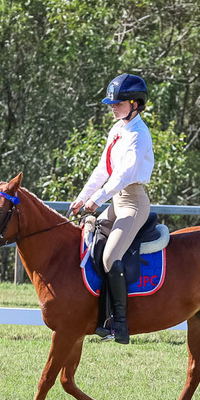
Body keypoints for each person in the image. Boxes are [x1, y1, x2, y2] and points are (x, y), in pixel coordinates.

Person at [69, 73, 154, 344]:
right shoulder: (117, 129)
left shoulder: (139, 134)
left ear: (135, 104)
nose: (113, 107)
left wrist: (98, 200)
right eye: (112, 103)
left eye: (118, 103)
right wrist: (83, 197)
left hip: (133, 203)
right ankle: (99, 315)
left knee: (109, 258)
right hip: (116, 201)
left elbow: (123, 176)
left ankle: (120, 323)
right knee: (89, 237)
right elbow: (102, 170)